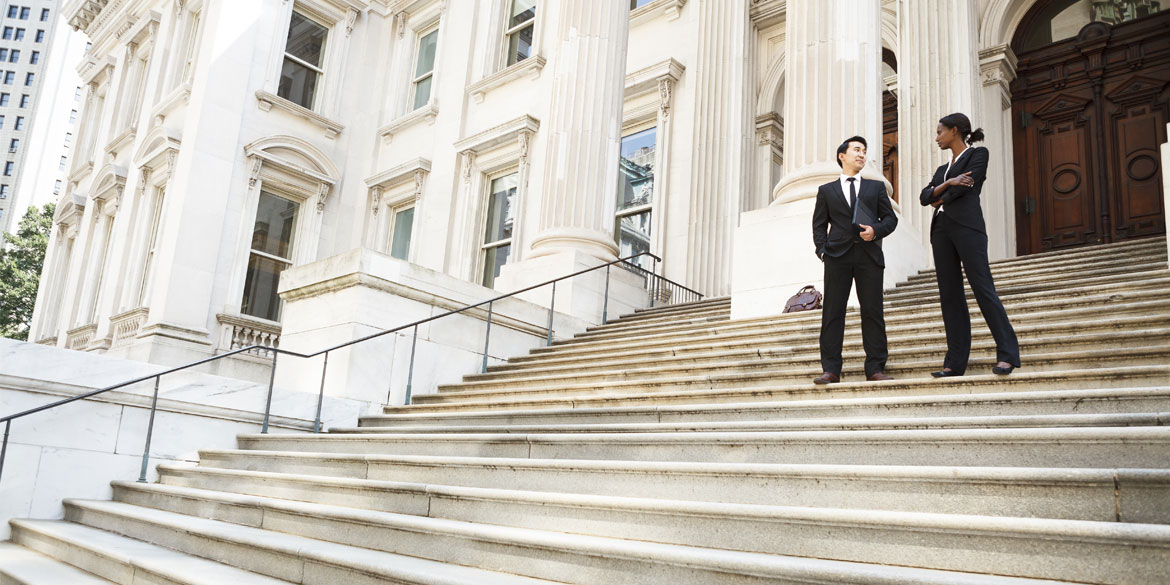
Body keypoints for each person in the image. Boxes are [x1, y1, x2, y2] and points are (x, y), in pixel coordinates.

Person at [919, 113, 1020, 377]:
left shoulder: (978, 154)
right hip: (940, 231)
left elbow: (967, 188)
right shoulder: (943, 170)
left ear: (954, 131)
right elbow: (923, 197)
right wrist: (950, 182)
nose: (937, 137)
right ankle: (954, 363)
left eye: (940, 132)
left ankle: (1008, 354)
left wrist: (939, 194)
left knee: (982, 287)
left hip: (968, 228)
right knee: (950, 296)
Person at [811, 136, 898, 384]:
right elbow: (819, 225)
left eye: (864, 151)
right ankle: (831, 369)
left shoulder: (875, 188)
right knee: (832, 313)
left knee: (872, 311)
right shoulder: (826, 191)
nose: (861, 155)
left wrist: (876, 232)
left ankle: (875, 368)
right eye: (856, 150)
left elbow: (890, 219)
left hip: (868, 256)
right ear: (843, 156)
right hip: (836, 256)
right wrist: (822, 251)